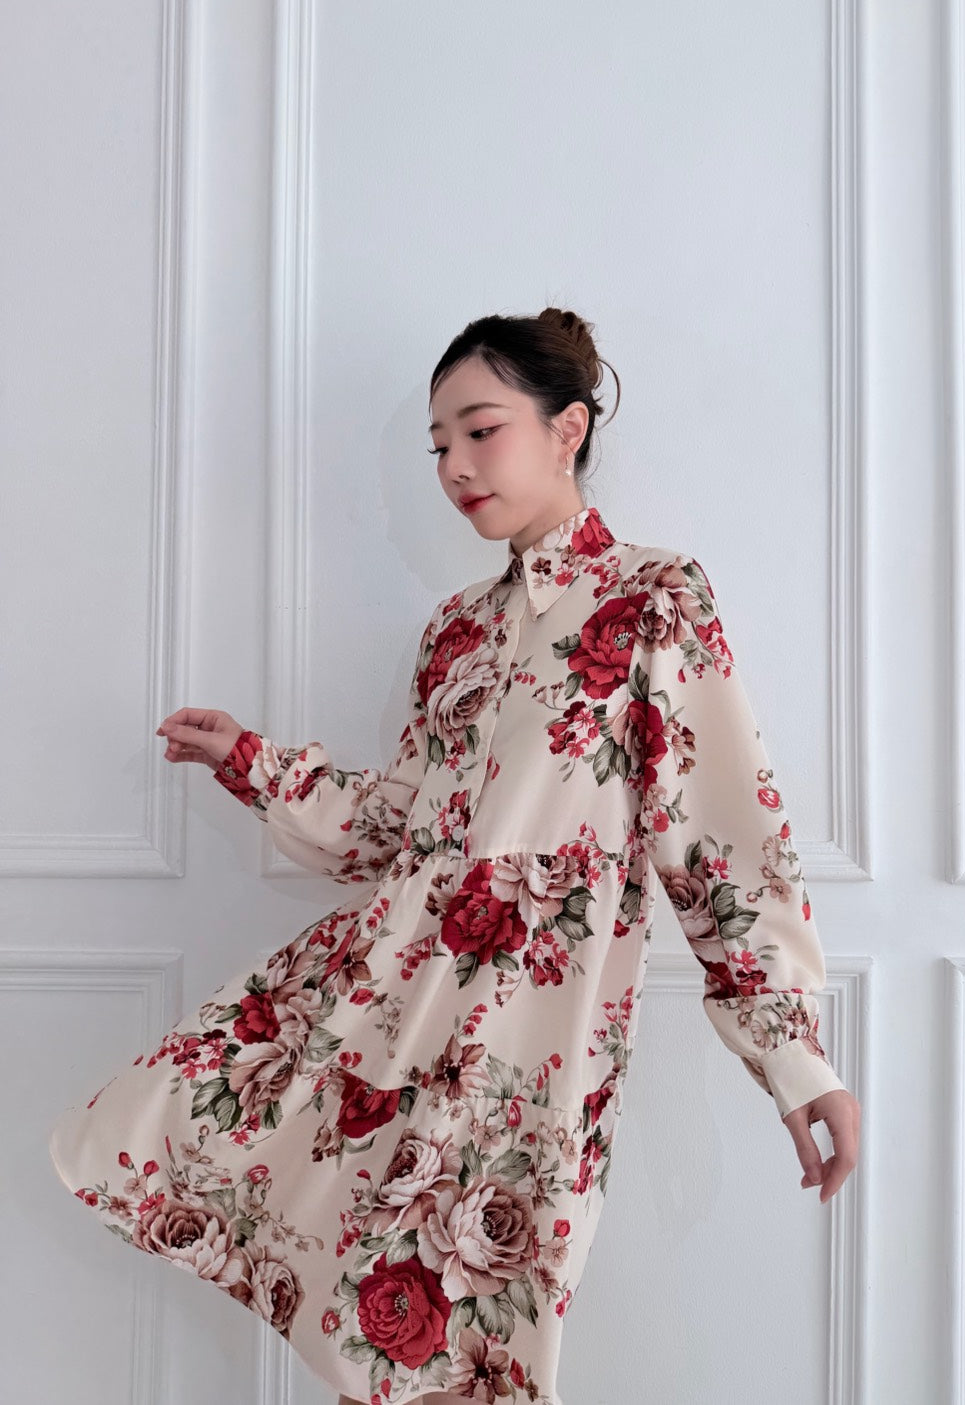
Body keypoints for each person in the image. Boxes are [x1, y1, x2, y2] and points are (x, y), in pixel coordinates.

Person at [49, 308, 860, 1405]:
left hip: (528, 1052)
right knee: (372, 1352)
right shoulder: (455, 631)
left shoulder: (654, 599)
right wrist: (251, 759)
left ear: (567, 427)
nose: (454, 467)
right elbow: (394, 829)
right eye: (438, 446)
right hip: (387, 1015)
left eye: (480, 431)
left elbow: (722, 838)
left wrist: (795, 1059)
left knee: (468, 1361)